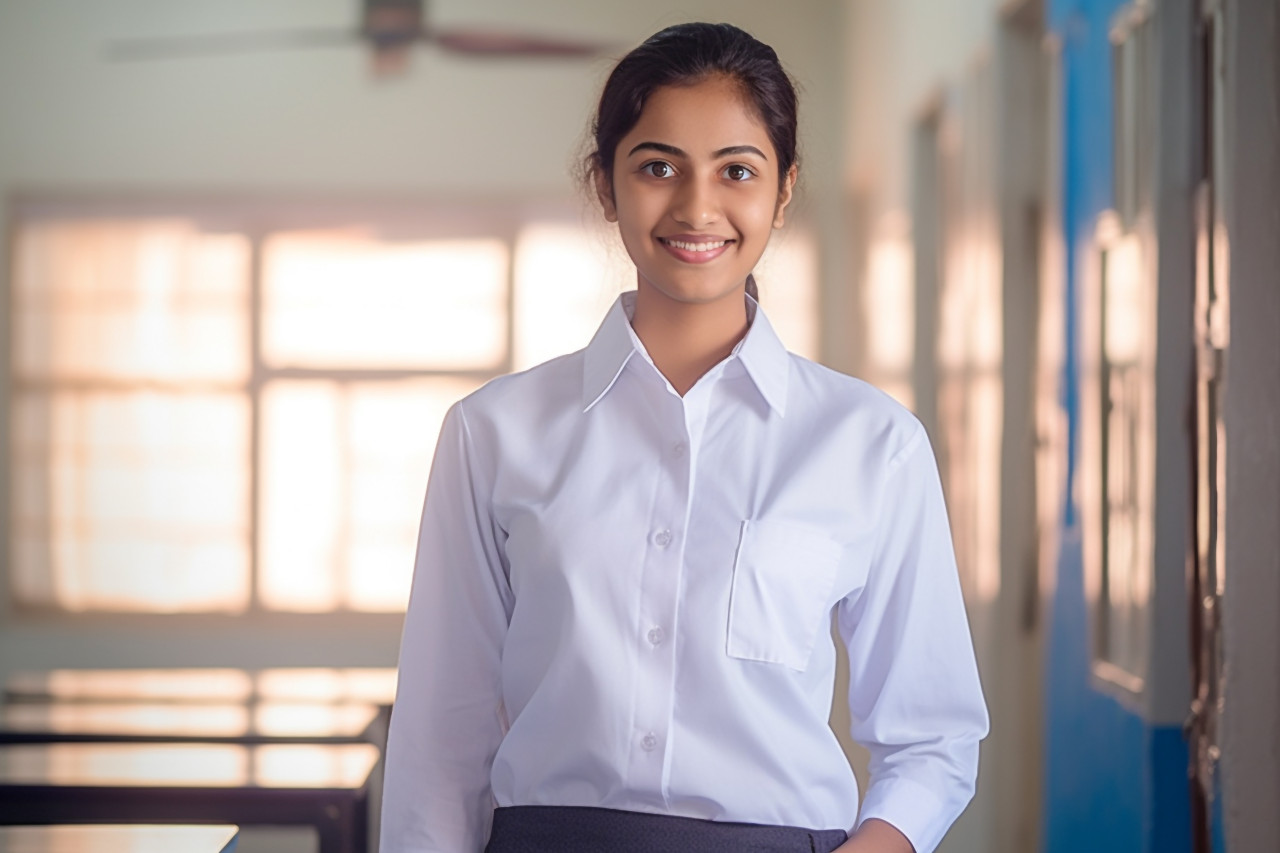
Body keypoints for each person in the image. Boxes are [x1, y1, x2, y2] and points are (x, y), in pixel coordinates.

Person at [381, 21, 988, 853]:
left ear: (783, 190)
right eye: (657, 166)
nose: (697, 207)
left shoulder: (873, 444)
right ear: (607, 186)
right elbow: (438, 741)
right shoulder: (493, 433)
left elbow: (934, 740)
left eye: (737, 170)